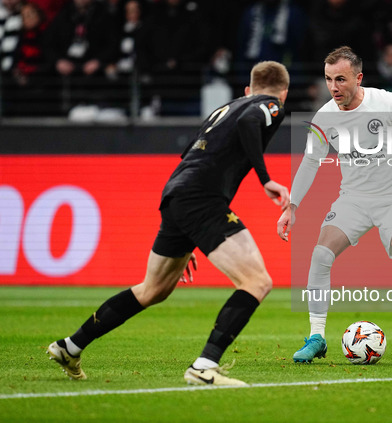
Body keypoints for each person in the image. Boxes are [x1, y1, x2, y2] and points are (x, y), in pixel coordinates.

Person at [47, 61, 291, 386]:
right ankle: (204, 366)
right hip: (201, 199)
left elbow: (191, 156)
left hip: (177, 194)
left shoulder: (224, 109)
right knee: (257, 282)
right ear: (283, 93)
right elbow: (250, 121)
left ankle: (71, 346)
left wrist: (188, 233)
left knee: (153, 290)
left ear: (247, 89)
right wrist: (266, 179)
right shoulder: (269, 105)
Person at [277, 46, 392, 363]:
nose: (333, 87)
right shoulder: (324, 117)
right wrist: (293, 206)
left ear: (359, 78)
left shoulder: (387, 102)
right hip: (353, 199)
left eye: (340, 79)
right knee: (319, 255)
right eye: (328, 79)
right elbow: (310, 162)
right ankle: (316, 336)